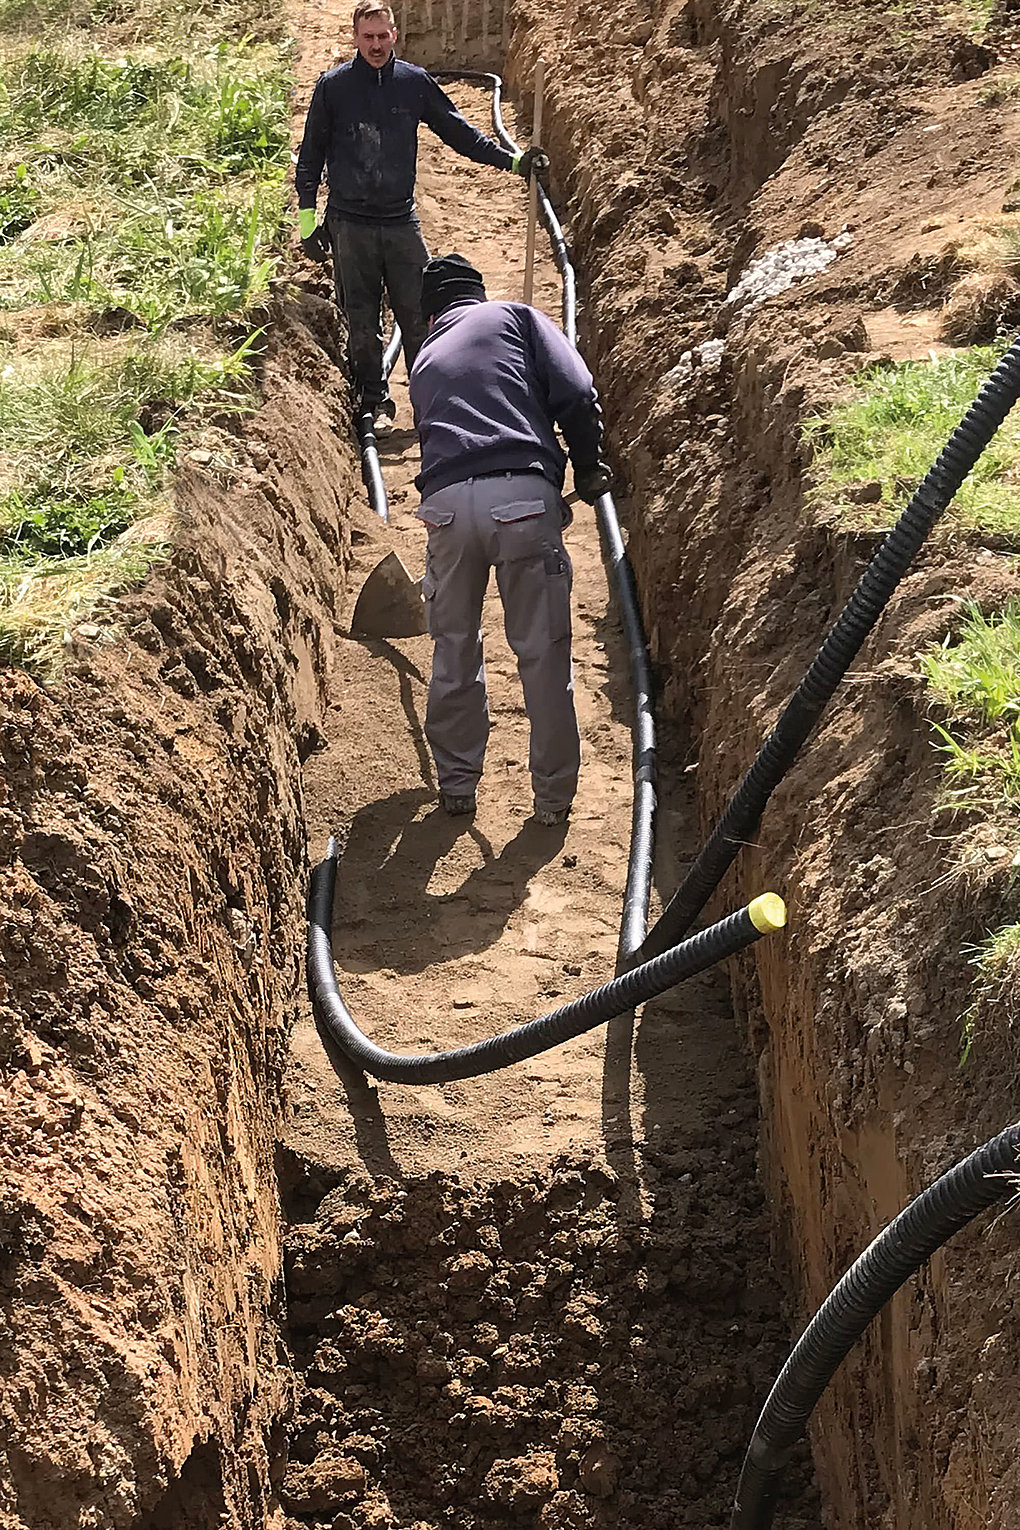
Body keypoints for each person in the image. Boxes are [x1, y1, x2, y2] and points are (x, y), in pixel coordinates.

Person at [407, 253, 611, 827]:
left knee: (454, 647)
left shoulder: (424, 358)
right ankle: (551, 801)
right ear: (478, 294)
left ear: (429, 317)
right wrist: (589, 465)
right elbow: (575, 391)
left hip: (445, 511)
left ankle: (456, 782)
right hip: (522, 502)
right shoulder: (517, 317)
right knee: (542, 655)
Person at [295, 1, 549, 433]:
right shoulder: (333, 87)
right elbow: (310, 155)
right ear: (355, 38)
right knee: (360, 318)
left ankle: (428, 400)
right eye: (367, 37)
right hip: (349, 223)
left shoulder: (413, 83)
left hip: (400, 222)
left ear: (395, 35)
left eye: (382, 36)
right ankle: (372, 404)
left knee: (419, 315)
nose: (375, 45)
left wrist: (514, 161)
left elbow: (458, 132)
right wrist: (307, 222)